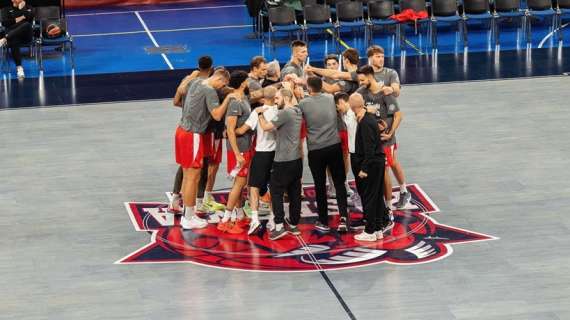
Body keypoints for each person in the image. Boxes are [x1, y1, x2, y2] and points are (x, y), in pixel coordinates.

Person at [174, 68, 233, 229]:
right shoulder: (210, 91)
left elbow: (180, 90)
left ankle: (188, 214)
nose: (221, 89)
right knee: (193, 177)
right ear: (221, 80)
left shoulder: (195, 82)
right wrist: (228, 98)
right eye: (223, 86)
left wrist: (190, 75)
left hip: (181, 131)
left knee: (188, 176)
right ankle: (188, 218)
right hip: (193, 135)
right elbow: (217, 115)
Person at [298, 77, 350, 232]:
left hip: (316, 150)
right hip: (334, 147)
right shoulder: (330, 98)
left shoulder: (303, 103)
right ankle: (343, 219)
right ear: (321, 86)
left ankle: (323, 220)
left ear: (309, 88)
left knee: (320, 186)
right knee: (339, 183)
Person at [256, 87, 304, 241]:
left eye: (277, 99)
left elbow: (265, 127)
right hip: (296, 160)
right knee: (294, 192)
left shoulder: (284, 113)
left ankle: (278, 226)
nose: (275, 102)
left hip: (283, 161)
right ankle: (294, 224)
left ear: (285, 97)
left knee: (276, 192)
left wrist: (260, 113)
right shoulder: (297, 110)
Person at [169, 56, 214, 215]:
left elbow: (176, 101)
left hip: (186, 128)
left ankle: (175, 198)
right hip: (202, 131)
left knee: (185, 166)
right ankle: (198, 203)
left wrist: (189, 108)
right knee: (200, 167)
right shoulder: (210, 85)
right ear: (211, 67)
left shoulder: (188, 81)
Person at [367, 45, 411, 209]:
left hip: (387, 127)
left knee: (390, 163)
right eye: (377, 56)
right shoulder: (365, 74)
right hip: (372, 128)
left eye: (382, 56)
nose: (381, 58)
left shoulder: (390, 73)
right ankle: (383, 194)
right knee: (382, 164)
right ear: (370, 58)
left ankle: (402, 191)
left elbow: (397, 91)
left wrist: (389, 88)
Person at [237, 86, 279, 235]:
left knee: (254, 186)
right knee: (275, 187)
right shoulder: (281, 110)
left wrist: (230, 131)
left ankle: (255, 219)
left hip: (262, 154)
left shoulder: (258, 111)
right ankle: (274, 220)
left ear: (263, 97)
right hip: (278, 155)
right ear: (275, 97)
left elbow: (243, 130)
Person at [349, 93, 391, 241]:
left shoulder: (365, 123)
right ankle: (378, 228)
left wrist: (364, 169)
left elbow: (369, 148)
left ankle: (370, 231)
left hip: (371, 164)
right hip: (378, 162)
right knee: (377, 196)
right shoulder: (369, 118)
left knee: (370, 197)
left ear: (352, 106)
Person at [218, 71, 254, 234]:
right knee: (239, 184)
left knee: (241, 184)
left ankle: (239, 215)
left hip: (245, 147)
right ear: (242, 83)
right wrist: (237, 154)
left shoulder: (243, 98)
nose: (249, 81)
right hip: (238, 150)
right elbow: (230, 130)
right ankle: (225, 219)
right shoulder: (234, 103)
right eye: (247, 80)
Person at [0, 0, 34, 79]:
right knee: (13, 40)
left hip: (26, 36)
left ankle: (4, 39)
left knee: (27, 25)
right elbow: (5, 23)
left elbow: (30, 17)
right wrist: (22, 17)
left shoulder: (28, 7)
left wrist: (23, 9)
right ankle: (19, 68)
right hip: (13, 37)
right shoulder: (6, 9)